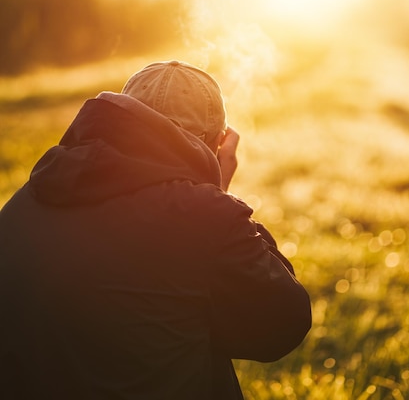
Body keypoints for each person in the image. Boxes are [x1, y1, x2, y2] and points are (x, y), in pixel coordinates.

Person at [0, 61, 312, 399]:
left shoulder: (26, 198)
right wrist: (217, 191)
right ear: (216, 142)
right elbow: (281, 326)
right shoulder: (204, 214)